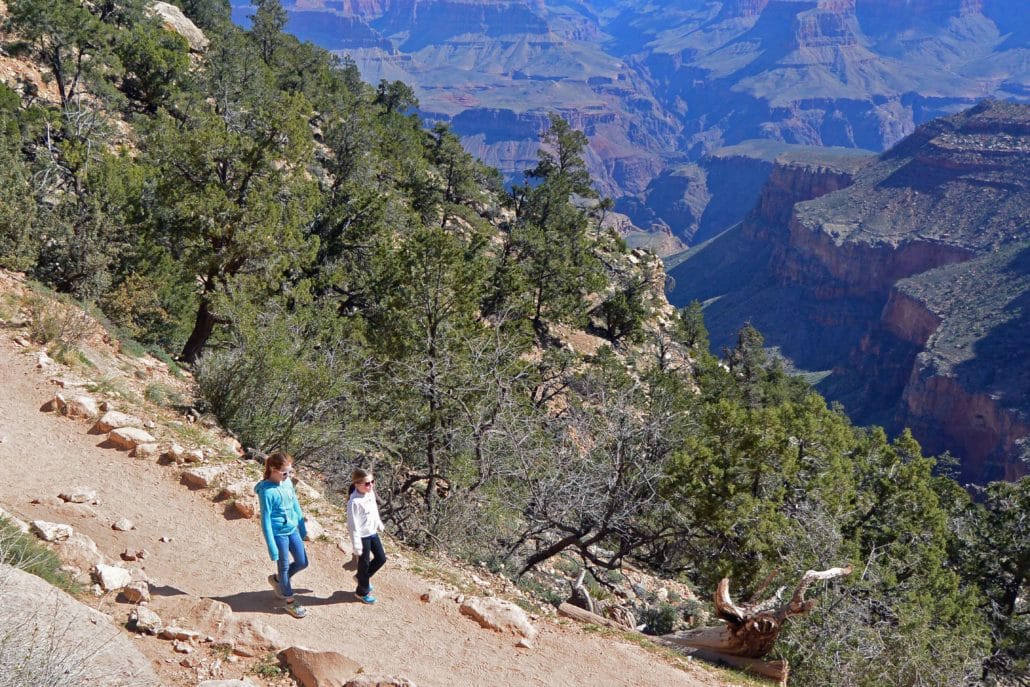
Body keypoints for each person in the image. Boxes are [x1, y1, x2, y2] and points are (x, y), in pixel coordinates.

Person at [255, 452, 309, 618]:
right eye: (285, 472)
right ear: (273, 469)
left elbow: (295, 505)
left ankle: (279, 580)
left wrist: (302, 527)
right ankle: (289, 600)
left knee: (302, 562)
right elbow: (265, 519)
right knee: (284, 566)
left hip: (292, 529)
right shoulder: (266, 492)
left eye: (290, 472)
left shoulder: (287, 484)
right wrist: (272, 546)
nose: (288, 476)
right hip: (278, 534)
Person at [347, 468, 386, 604]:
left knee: (381, 558)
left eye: (372, 482)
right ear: (357, 484)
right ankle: (361, 592)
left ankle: (361, 578)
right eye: (367, 483)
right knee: (364, 564)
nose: (370, 485)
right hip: (362, 537)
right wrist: (357, 546)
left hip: (372, 532)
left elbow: (374, 511)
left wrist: (379, 524)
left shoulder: (370, 494)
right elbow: (352, 525)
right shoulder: (354, 503)